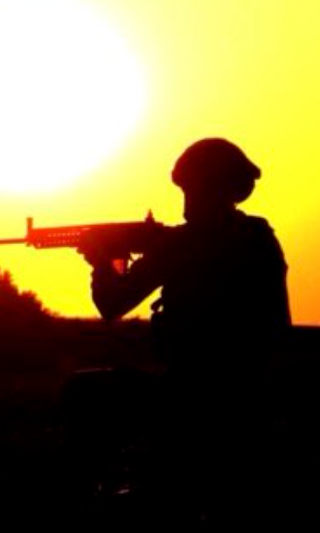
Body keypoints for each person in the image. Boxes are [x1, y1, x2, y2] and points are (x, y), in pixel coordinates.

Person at [81, 137, 291, 383]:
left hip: (192, 385)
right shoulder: (259, 236)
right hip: (252, 384)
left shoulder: (181, 245)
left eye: (191, 189)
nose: (187, 199)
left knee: (83, 389)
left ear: (210, 190)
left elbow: (111, 304)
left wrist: (100, 262)